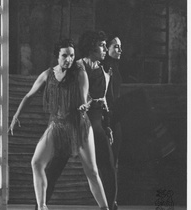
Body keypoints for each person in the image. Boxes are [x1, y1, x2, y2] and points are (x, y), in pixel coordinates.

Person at [9, 38, 109, 210]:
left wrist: (85, 104)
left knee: (92, 172)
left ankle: (105, 208)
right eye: (65, 55)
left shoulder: (80, 73)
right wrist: (16, 115)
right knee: (36, 163)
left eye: (72, 55)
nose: (69, 59)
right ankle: (41, 206)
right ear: (57, 56)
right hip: (57, 126)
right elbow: (29, 96)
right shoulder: (47, 74)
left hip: (79, 125)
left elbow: (85, 98)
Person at [76, 30, 117, 210]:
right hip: (79, 122)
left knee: (107, 165)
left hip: (97, 123)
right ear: (92, 47)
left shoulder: (103, 71)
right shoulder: (77, 67)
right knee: (56, 163)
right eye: (101, 45)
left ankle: (110, 205)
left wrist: (107, 126)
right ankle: (40, 204)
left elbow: (106, 101)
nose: (104, 49)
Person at [102, 34, 123, 167]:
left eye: (120, 47)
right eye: (116, 47)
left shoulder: (114, 66)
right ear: (106, 48)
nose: (120, 50)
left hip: (115, 114)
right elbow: (107, 96)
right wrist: (108, 121)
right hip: (109, 116)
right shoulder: (107, 67)